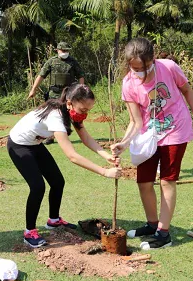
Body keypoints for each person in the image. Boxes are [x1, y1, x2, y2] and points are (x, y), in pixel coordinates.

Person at [111, 38, 193, 249]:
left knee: (166, 181)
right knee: (143, 182)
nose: (138, 73)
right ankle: (152, 224)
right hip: (148, 135)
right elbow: (136, 121)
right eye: (134, 68)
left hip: (176, 130)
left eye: (142, 68)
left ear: (152, 59)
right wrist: (124, 143)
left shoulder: (169, 68)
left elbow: (188, 91)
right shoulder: (128, 84)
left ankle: (163, 234)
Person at [8, 84, 122, 248]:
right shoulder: (56, 116)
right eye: (83, 110)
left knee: (57, 181)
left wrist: (106, 156)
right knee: (37, 186)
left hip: (34, 144)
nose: (85, 114)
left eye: (88, 110)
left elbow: (86, 138)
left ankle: (53, 220)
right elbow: (72, 156)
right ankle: (29, 232)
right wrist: (105, 172)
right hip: (19, 145)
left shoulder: (71, 113)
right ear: (69, 103)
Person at [27, 42, 85, 144]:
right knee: (51, 114)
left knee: (67, 114)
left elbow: (80, 76)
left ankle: (65, 135)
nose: (65, 52)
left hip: (68, 93)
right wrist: (33, 89)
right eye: (63, 50)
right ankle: (50, 137)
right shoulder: (51, 62)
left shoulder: (73, 62)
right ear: (57, 50)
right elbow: (41, 75)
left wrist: (81, 91)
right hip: (54, 93)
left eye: (67, 50)